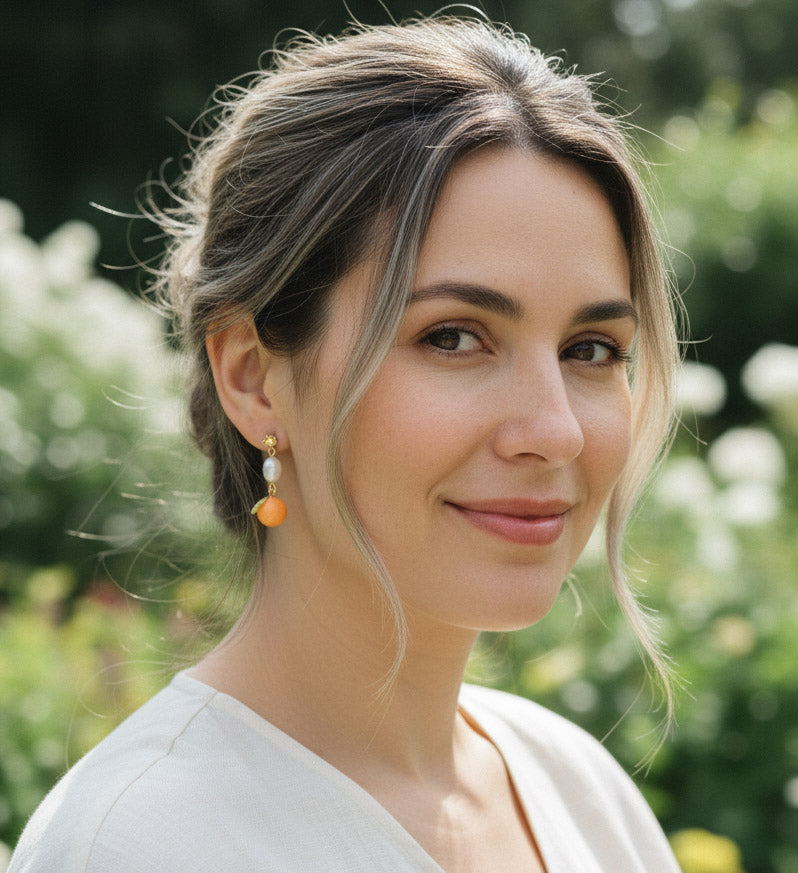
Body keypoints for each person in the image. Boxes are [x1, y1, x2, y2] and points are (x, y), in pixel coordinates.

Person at [9, 16, 682, 873]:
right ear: (253, 376)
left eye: (591, 350)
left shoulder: (579, 791)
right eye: (453, 336)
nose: (553, 429)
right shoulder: (142, 844)